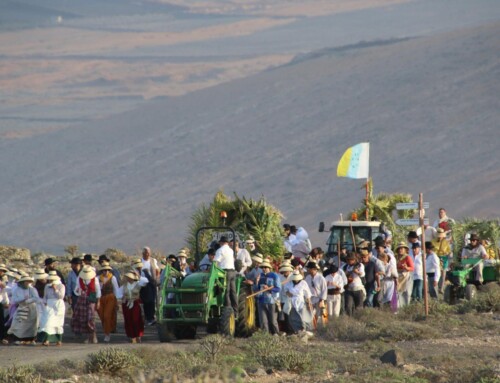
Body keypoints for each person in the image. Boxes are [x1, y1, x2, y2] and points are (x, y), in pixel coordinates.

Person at [72, 265, 101, 344]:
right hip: (82, 299)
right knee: (84, 319)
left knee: (91, 318)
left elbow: (98, 290)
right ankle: (89, 337)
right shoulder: (79, 279)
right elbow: (76, 290)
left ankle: (94, 335)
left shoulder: (94, 279)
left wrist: (98, 301)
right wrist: (79, 291)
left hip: (91, 300)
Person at [7, 275, 39, 345]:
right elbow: (15, 299)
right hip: (21, 307)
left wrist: (28, 300)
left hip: (31, 308)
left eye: (28, 282)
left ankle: (31, 339)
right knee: (19, 323)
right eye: (26, 282)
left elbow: (36, 298)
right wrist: (23, 299)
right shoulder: (17, 290)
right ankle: (18, 338)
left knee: (31, 324)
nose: (27, 283)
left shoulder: (32, 289)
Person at [37, 273, 65, 346]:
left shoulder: (61, 286)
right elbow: (45, 296)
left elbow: (61, 296)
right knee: (47, 321)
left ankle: (58, 339)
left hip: (58, 305)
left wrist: (55, 289)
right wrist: (45, 303)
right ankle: (46, 339)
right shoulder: (47, 286)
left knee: (58, 323)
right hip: (49, 305)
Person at [253, 260, 281, 334]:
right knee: (263, 320)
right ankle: (265, 336)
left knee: (272, 320)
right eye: (262, 267)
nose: (264, 269)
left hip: (271, 301)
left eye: (265, 267)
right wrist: (256, 282)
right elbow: (257, 288)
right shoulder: (260, 276)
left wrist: (269, 288)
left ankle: (276, 334)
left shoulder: (274, 276)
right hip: (261, 300)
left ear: (269, 268)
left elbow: (278, 288)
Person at [120, 271, 148, 343]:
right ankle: (131, 336)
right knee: (128, 319)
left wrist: (138, 275)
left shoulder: (138, 284)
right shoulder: (124, 285)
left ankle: (138, 335)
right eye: (128, 277)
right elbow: (118, 293)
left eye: (130, 277)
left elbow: (146, 281)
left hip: (135, 303)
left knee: (136, 319)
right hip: (126, 304)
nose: (129, 278)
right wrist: (122, 298)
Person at [214, 236, 238, 313]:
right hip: (232, 272)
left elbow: (215, 263)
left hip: (225, 272)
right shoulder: (231, 251)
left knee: (226, 291)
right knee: (233, 292)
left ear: (221, 242)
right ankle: (235, 311)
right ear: (227, 242)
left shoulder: (220, 250)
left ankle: (227, 310)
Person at [97, 261, 119, 342]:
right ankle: (108, 329)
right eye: (104, 270)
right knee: (102, 316)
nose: (106, 272)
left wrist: (116, 301)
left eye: (107, 270)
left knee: (107, 315)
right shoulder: (98, 278)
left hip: (110, 297)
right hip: (101, 298)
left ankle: (107, 334)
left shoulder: (112, 278)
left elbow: (116, 289)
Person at [284, 271, 312, 335]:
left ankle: (305, 330)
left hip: (301, 302)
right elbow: (285, 290)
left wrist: (309, 302)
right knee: (294, 317)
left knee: (303, 317)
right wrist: (288, 293)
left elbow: (307, 294)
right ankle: (297, 330)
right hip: (292, 301)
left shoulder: (303, 283)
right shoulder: (289, 283)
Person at [432, 228, 452, 293]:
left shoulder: (445, 242)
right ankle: (436, 287)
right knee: (437, 272)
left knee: (443, 273)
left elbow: (449, 250)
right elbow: (431, 250)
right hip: (436, 257)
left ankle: (441, 288)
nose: (440, 237)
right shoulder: (433, 241)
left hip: (444, 258)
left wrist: (447, 252)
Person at [395, 242, 414, 308]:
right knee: (397, 292)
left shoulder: (407, 257)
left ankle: (406, 307)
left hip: (406, 276)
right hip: (397, 276)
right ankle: (398, 307)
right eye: (399, 249)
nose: (400, 250)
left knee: (406, 292)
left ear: (405, 249)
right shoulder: (395, 257)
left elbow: (412, 268)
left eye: (402, 248)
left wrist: (406, 267)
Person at [0, 266, 10, 344]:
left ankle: (2, 337)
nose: (2, 273)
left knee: (1, 320)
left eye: (3, 271)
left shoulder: (2, 282)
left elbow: (4, 292)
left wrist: (6, 302)